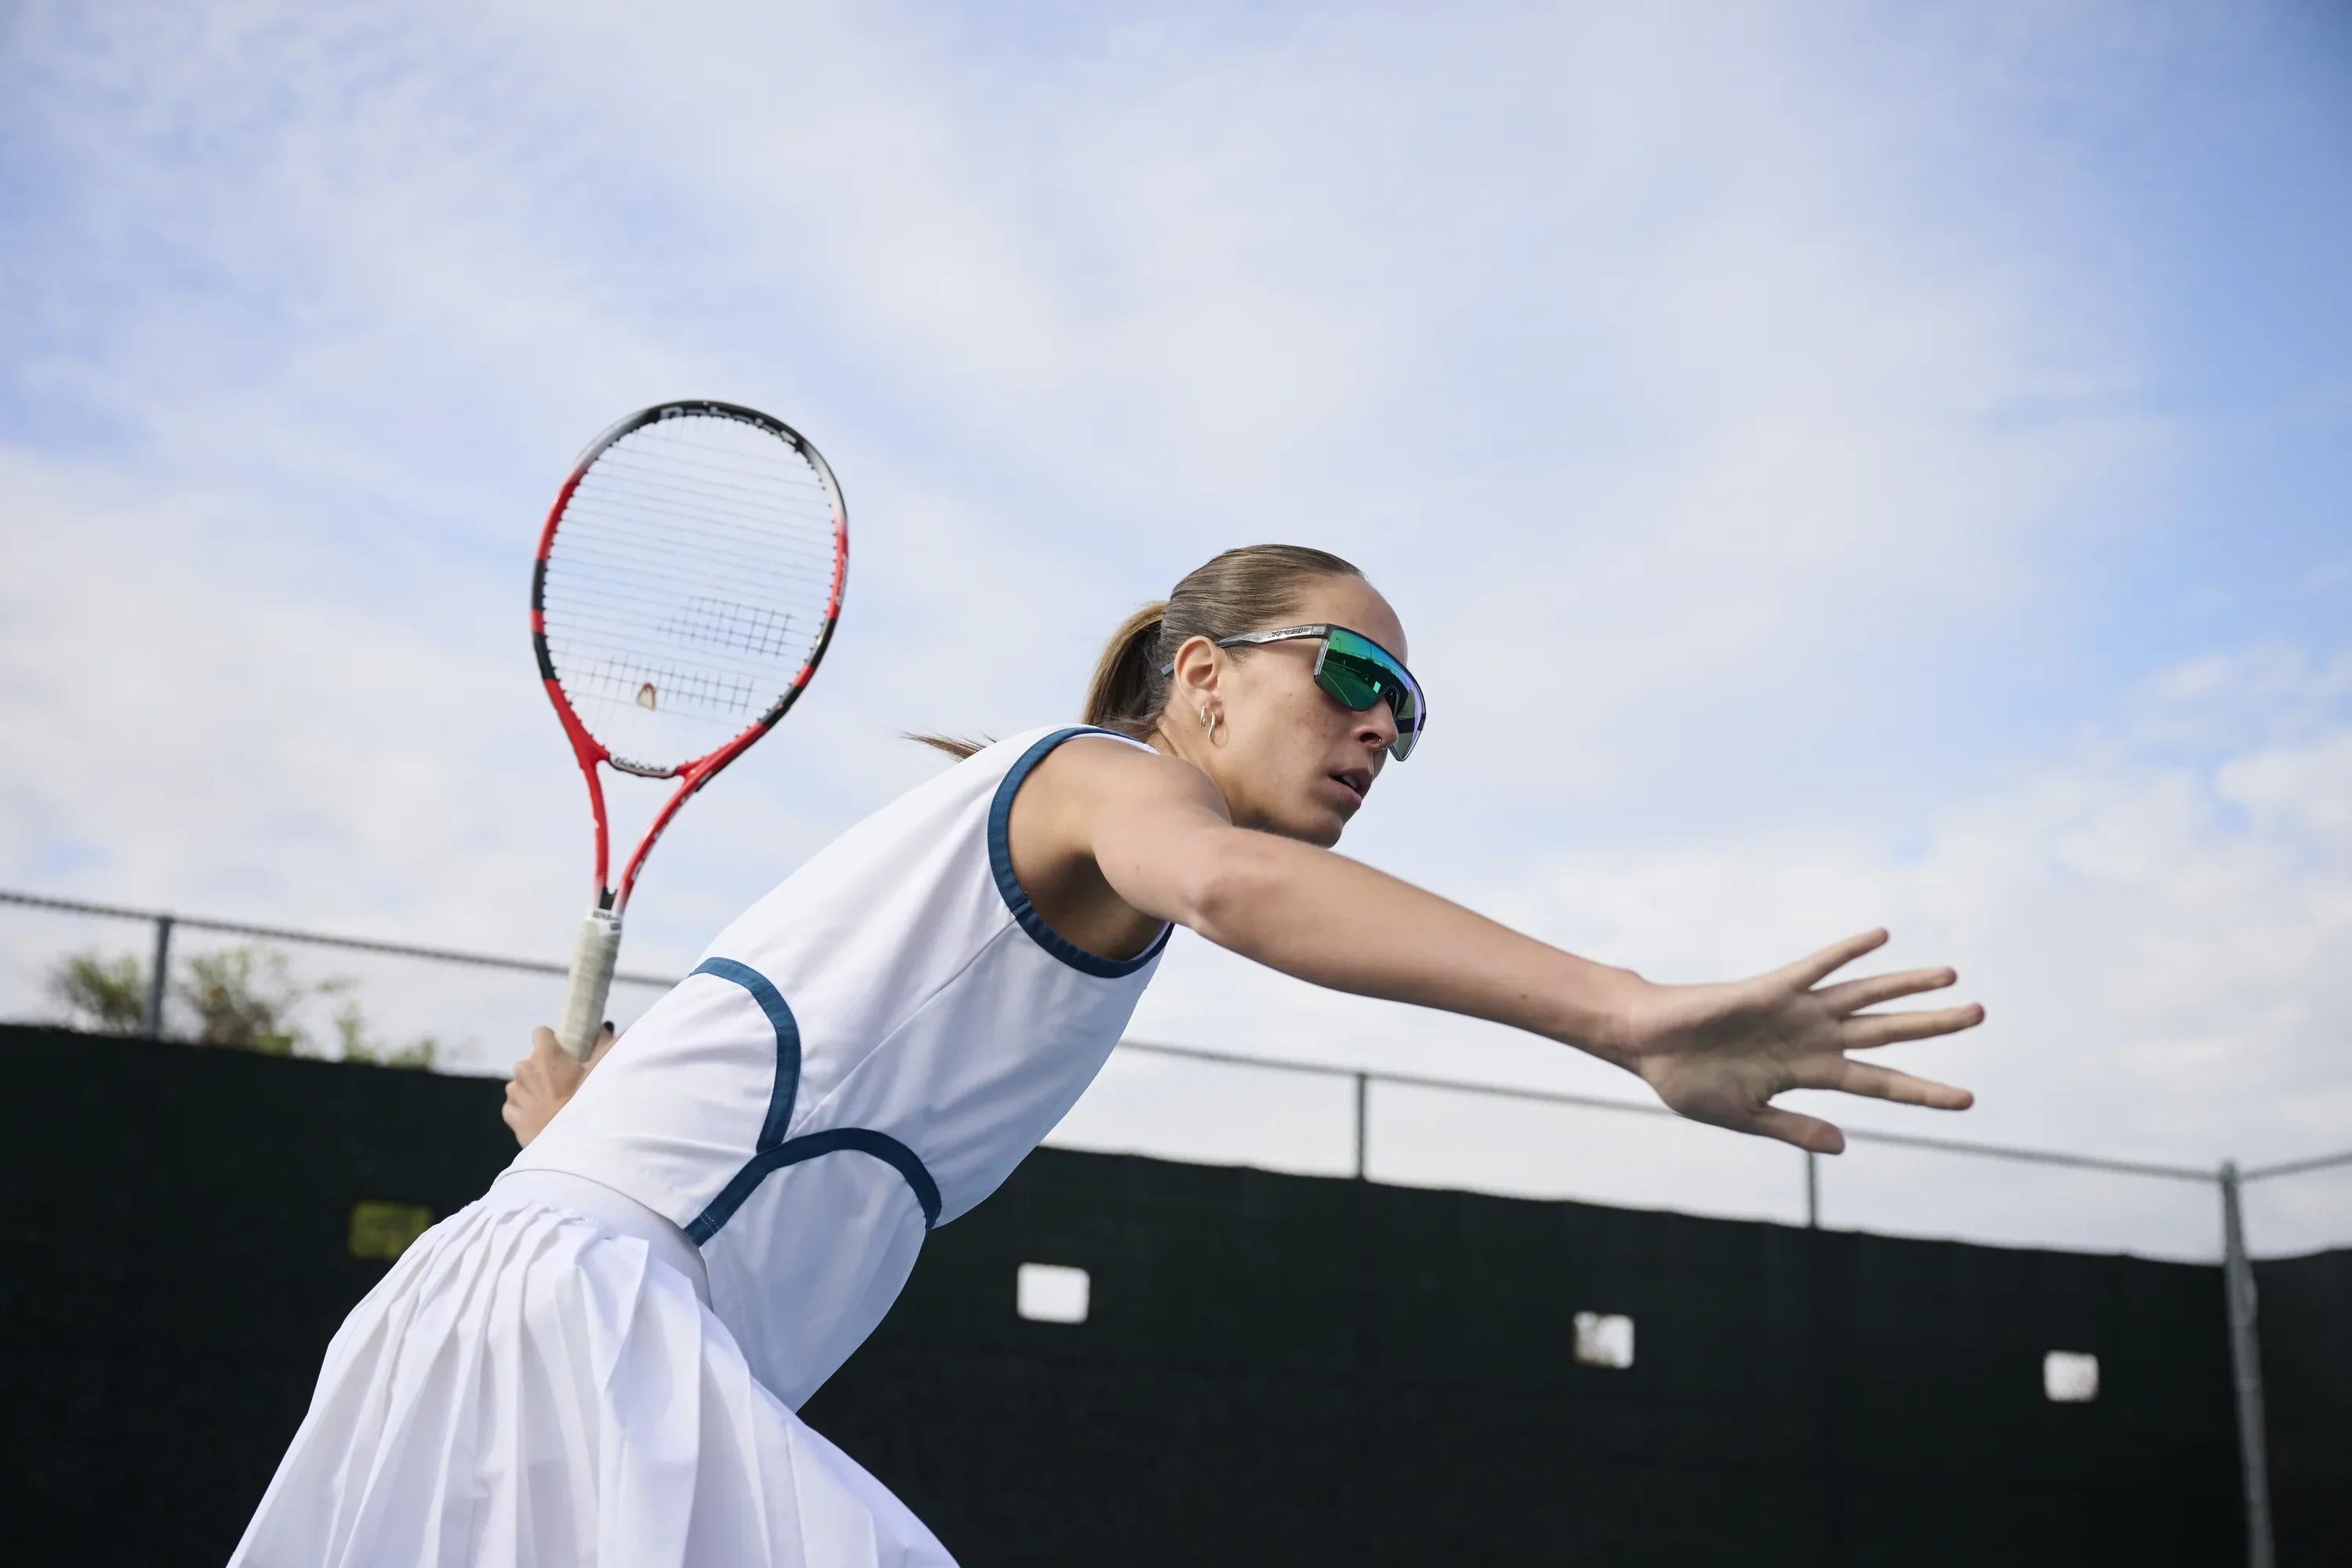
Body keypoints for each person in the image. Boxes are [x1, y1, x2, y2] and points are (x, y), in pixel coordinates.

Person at [232, 544, 1982, 1566]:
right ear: (1205, 677)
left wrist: (578, 1140)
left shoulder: (1034, 843)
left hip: (564, 1308)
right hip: (580, 1322)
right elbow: (1236, 884)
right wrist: (1629, 1011)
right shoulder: (1093, 778)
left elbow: (720, 1128)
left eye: (1411, 711)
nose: (1383, 722)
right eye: (1355, 670)